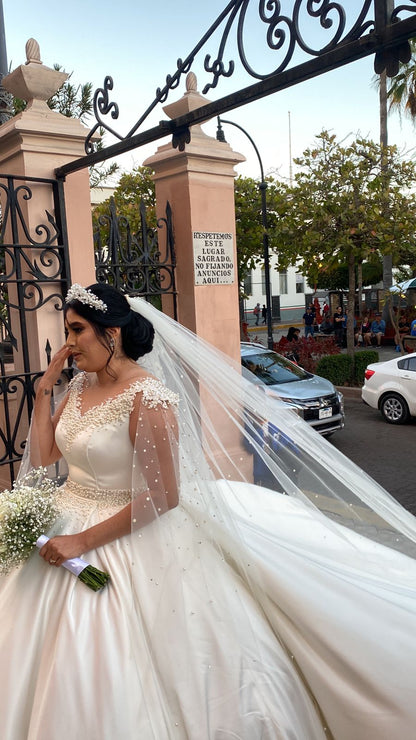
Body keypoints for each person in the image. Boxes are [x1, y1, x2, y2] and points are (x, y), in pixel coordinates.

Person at [1, 282, 416, 739]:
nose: (69, 343)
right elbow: (42, 457)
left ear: (111, 333)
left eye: (78, 330)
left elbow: (163, 496)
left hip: (125, 533)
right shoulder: (77, 386)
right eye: (68, 331)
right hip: (67, 514)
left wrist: (80, 541)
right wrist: (43, 393)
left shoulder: (148, 396)